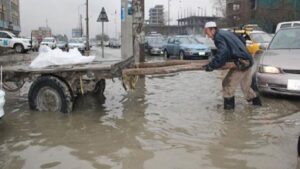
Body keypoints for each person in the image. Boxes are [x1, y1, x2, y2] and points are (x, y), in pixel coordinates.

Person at [203, 21, 262, 110]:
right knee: (246, 88)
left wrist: (211, 66)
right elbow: (241, 40)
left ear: (212, 29)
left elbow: (223, 53)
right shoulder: (226, 33)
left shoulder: (218, 37)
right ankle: (258, 108)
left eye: (207, 32)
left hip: (241, 63)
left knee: (227, 84)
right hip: (248, 60)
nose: (207, 35)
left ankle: (228, 115)